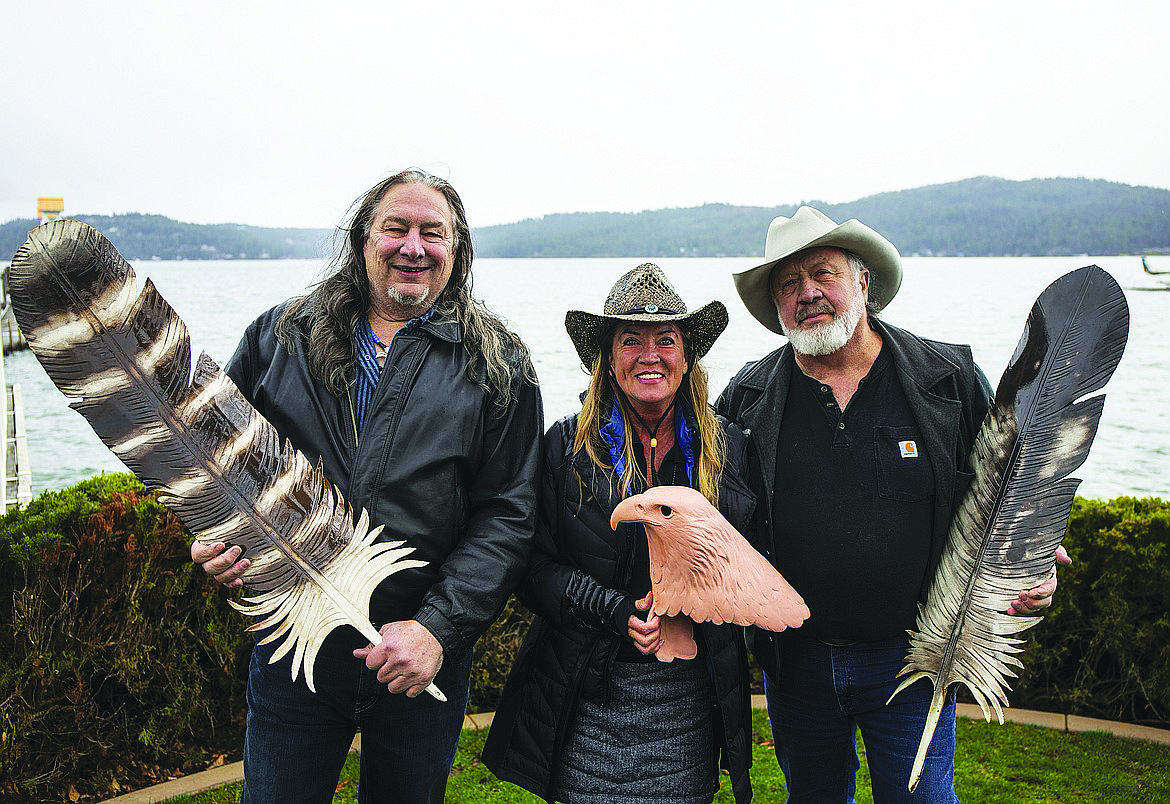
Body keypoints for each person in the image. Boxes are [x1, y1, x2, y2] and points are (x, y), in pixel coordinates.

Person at [190, 169, 543, 803]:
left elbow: (508, 515)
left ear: (456, 252)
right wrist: (215, 536)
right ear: (362, 240)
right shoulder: (282, 337)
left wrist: (436, 629)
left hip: (420, 655)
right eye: (396, 228)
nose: (414, 246)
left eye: (433, 232)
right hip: (292, 645)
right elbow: (214, 457)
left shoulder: (499, 363)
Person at [715, 206, 1070, 803]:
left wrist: (1028, 562)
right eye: (788, 285)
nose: (807, 294)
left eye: (822, 274)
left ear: (864, 283)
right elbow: (717, 521)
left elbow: (1010, 486)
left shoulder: (947, 379)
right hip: (797, 663)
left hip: (913, 657)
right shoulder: (745, 399)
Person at [483, 263, 756, 804]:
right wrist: (614, 611)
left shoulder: (727, 450)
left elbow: (752, 566)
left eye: (666, 339)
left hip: (691, 704)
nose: (649, 355)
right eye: (630, 339)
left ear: (688, 356)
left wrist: (694, 604)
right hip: (586, 697)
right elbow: (530, 569)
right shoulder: (564, 449)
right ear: (607, 359)